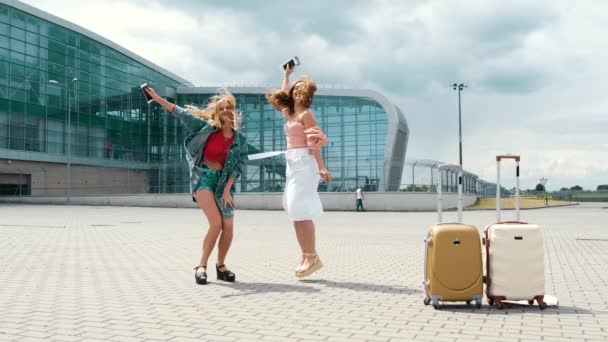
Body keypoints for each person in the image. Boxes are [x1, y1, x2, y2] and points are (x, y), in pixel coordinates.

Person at [144, 87, 247, 285]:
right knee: (216, 224)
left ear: (233, 112)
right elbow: (181, 112)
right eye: (222, 108)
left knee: (229, 227)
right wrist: (157, 98)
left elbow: (240, 164)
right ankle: (201, 266)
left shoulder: (240, 139)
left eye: (229, 108)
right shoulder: (206, 128)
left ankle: (221, 266)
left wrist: (227, 190)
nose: (226, 110)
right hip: (203, 179)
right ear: (216, 113)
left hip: (224, 184)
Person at [266, 66, 331, 278]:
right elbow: (282, 97)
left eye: (298, 91)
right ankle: (306, 255)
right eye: (295, 90)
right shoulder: (291, 113)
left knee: (299, 208)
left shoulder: (306, 115)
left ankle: (312, 256)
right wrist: (286, 75)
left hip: (305, 163)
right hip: (292, 164)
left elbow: (314, 144)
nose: (294, 93)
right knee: (294, 211)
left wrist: (321, 167)